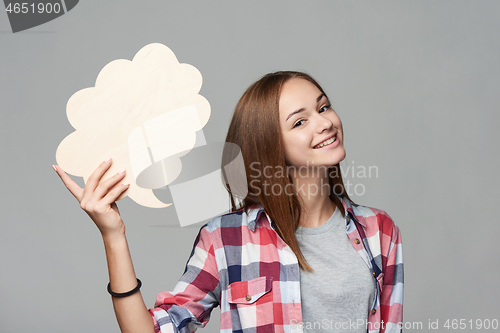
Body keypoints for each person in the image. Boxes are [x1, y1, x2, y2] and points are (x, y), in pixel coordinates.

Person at [54, 71, 403, 333]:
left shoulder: (379, 231)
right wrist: (112, 235)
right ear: (270, 145)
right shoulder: (227, 240)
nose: (325, 122)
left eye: (323, 106)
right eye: (300, 121)